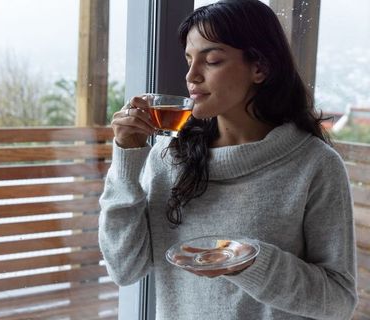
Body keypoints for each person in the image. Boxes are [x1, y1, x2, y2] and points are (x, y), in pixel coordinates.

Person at [98, 0, 358, 319]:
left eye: (213, 60)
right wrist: (126, 159)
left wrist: (253, 263)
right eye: (189, 60)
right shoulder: (168, 158)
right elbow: (125, 269)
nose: (191, 76)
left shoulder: (314, 164)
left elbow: (339, 301)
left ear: (260, 68)